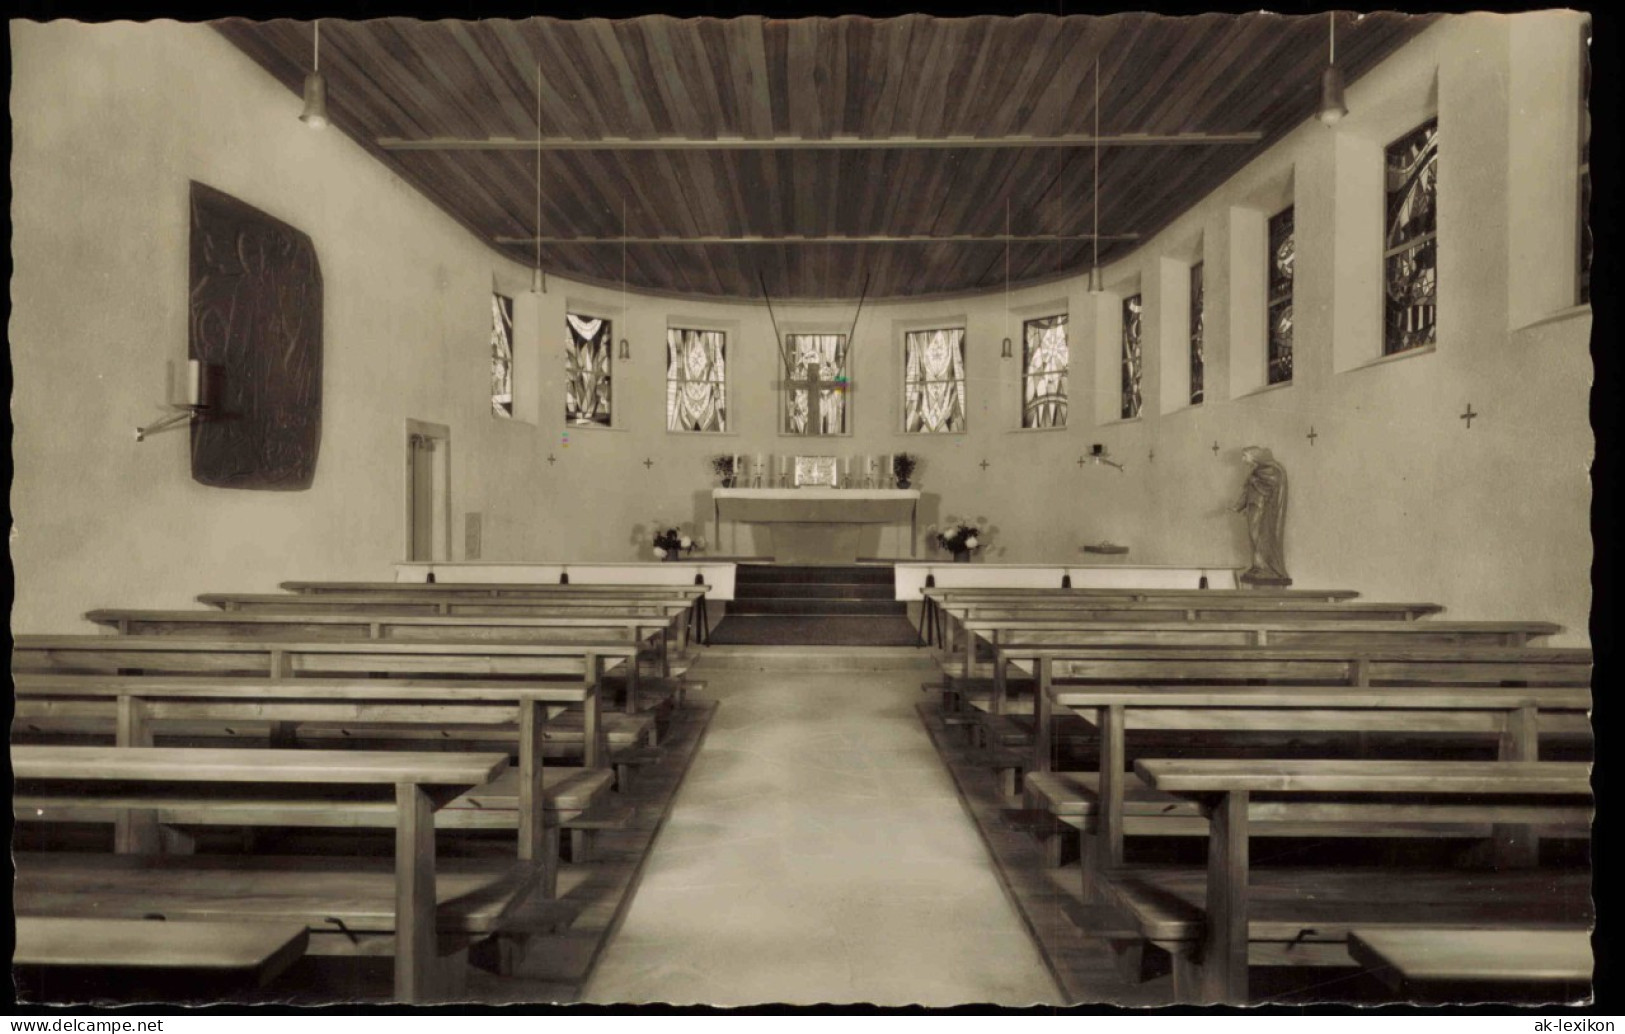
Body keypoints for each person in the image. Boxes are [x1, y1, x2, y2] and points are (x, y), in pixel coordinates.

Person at [1233, 446, 1290, 585]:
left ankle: (1267, 568)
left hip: (1265, 513)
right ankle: (1259, 566)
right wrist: (1238, 506)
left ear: (1254, 456)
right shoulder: (1256, 471)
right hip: (1254, 508)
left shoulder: (1272, 470)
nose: (1242, 459)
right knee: (1254, 538)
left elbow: (1271, 487)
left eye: (1244, 456)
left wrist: (1254, 481)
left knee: (1262, 537)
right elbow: (1249, 491)